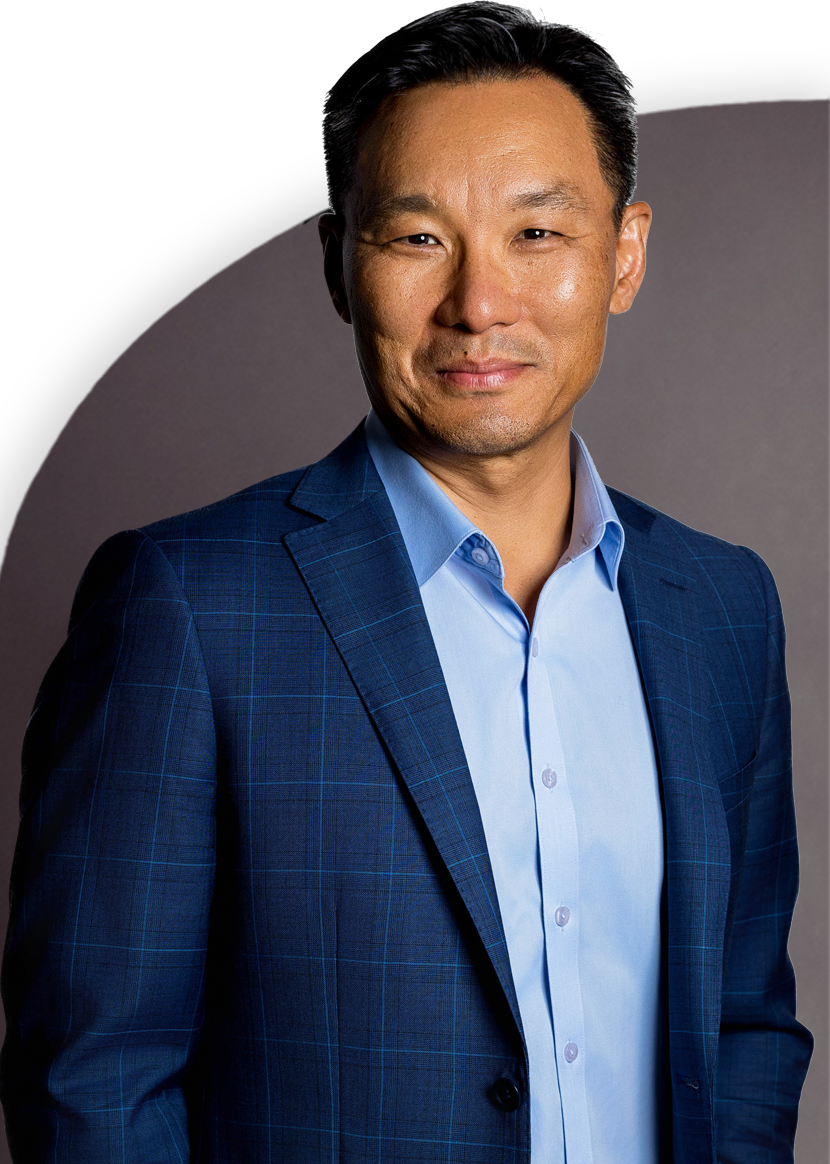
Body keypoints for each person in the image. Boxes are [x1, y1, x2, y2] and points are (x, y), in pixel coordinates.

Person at [0, 3, 813, 1161]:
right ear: (338, 262)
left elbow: (740, 1023)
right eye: (417, 238)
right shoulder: (183, 605)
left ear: (621, 255)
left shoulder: (722, 608)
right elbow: (95, 1079)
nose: (479, 304)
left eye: (537, 234)